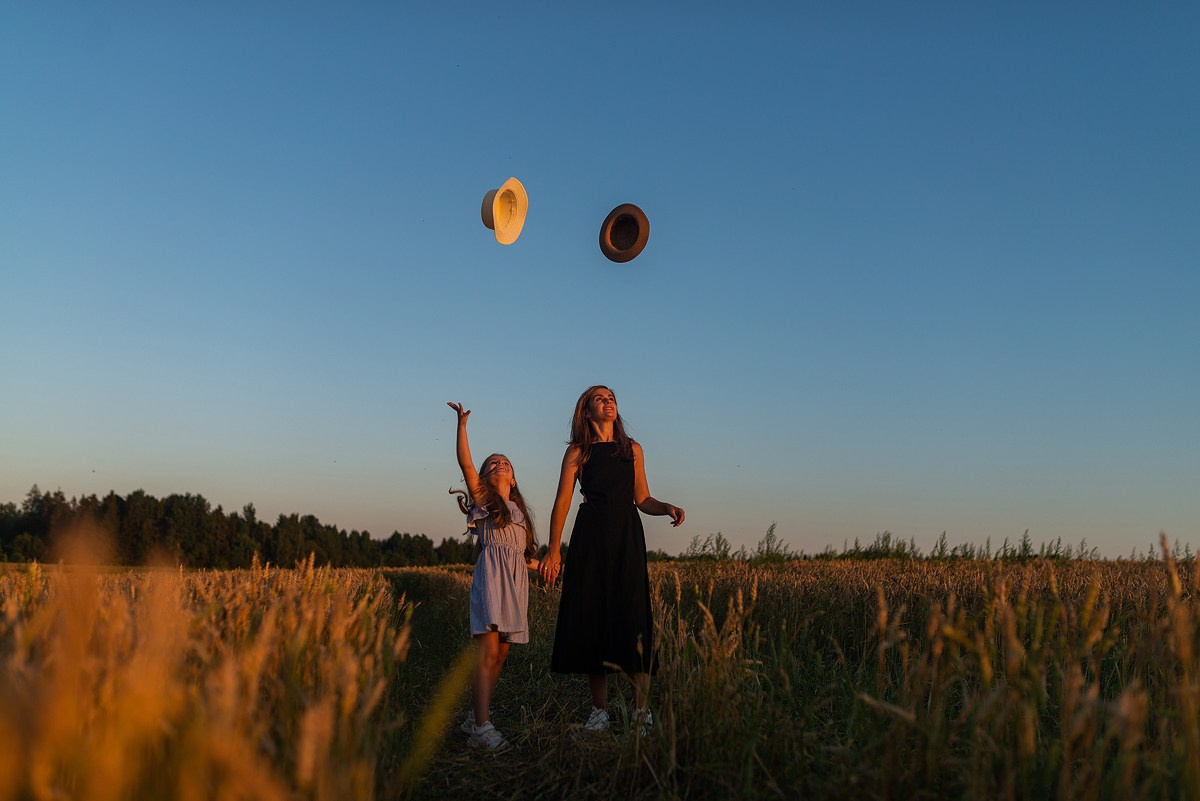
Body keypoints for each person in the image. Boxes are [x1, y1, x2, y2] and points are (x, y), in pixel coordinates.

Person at [539, 386, 684, 732]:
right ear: (586, 412)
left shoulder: (632, 449)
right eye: (599, 399)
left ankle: (640, 713)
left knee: (634, 615)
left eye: (611, 398)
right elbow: (562, 502)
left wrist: (665, 508)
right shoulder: (578, 452)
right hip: (590, 535)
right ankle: (599, 711)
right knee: (593, 614)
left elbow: (642, 498)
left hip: (626, 537)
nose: (608, 401)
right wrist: (554, 548)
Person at [447, 401, 539, 751]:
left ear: (513, 479)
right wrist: (462, 426)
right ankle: (482, 728)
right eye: (493, 463)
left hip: (515, 586)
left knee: (500, 655)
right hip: (492, 581)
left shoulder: (520, 513)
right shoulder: (484, 499)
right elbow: (465, 462)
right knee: (487, 653)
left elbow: (524, 557)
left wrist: (543, 565)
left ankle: (474, 717)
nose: (500, 464)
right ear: (484, 479)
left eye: (506, 463)